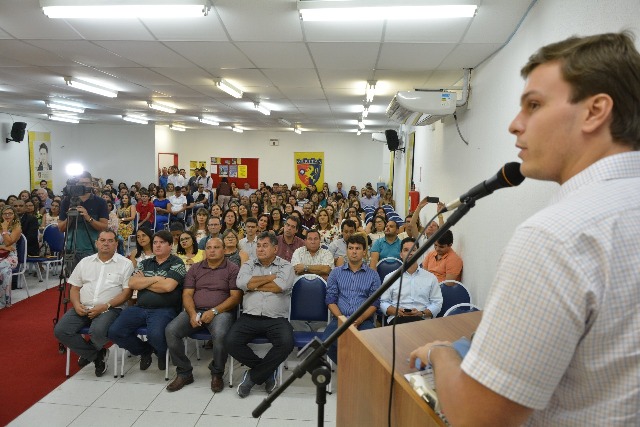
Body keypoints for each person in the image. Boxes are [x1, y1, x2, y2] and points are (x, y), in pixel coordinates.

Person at [409, 32, 640, 426]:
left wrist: (440, 353)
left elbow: (476, 417)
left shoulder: (556, 235)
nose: (515, 125)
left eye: (534, 105)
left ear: (595, 111)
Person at [164, 237, 241, 393]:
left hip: (221, 312)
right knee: (171, 330)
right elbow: (187, 294)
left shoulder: (232, 269)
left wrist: (214, 311)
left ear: (224, 250)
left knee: (220, 334)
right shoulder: (195, 268)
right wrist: (192, 313)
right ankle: (184, 372)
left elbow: (235, 297)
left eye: (216, 247)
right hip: (196, 310)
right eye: (209, 247)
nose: (212, 250)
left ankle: (217, 373)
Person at [54, 230, 134, 376]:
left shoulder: (125, 264)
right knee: (61, 330)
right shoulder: (85, 262)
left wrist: (106, 306)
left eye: (110, 241)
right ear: (96, 243)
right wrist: (76, 304)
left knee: (97, 331)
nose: (106, 243)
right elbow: (74, 288)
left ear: (116, 244)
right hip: (83, 306)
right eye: (102, 240)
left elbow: (126, 293)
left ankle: (89, 354)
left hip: (111, 308)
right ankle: (97, 355)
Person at [225, 232, 295, 398]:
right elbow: (241, 283)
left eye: (265, 245)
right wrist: (270, 277)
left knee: (286, 343)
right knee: (231, 342)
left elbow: (280, 286)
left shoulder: (286, 266)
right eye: (258, 245)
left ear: (275, 249)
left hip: (276, 317)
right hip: (250, 316)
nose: (260, 249)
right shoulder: (249, 264)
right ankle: (267, 373)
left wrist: (254, 284)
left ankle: (252, 377)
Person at [108, 230, 187, 372]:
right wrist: (157, 279)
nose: (157, 245)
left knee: (155, 335)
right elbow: (132, 283)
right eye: (155, 242)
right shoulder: (145, 263)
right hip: (140, 307)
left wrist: (144, 281)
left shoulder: (177, 262)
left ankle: (161, 353)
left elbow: (168, 287)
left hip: (165, 309)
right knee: (115, 332)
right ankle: (145, 350)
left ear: (170, 245)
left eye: (162, 242)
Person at [321, 234, 380, 363]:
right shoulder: (335, 273)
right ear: (346, 250)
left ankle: (357, 368)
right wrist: (342, 319)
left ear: (364, 252)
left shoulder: (373, 275)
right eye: (351, 248)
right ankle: (347, 367)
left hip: (363, 320)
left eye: (358, 248)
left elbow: (375, 303)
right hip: (340, 318)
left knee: (372, 345)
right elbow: (330, 300)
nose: (354, 251)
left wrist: (359, 319)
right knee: (326, 342)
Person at [380, 237, 442, 325]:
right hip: (397, 319)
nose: (410, 253)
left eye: (413, 250)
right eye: (406, 250)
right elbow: (383, 302)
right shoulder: (390, 278)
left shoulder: (431, 278)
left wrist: (422, 313)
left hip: (422, 319)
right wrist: (396, 311)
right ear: (401, 254)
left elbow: (437, 303)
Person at [59, 172, 109, 262]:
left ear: (91, 184)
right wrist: (70, 217)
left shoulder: (100, 202)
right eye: (81, 183)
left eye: (87, 183)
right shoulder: (67, 201)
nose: (84, 186)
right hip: (71, 248)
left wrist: (88, 218)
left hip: (92, 248)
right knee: (71, 271)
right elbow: (61, 228)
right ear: (76, 184)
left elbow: (104, 227)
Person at [0, 206, 21, 307]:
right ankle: (4, 300)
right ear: (1, 215)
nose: (7, 215)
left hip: (11, 257)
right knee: (6, 271)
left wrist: (4, 228)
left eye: (10, 213)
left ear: (14, 215)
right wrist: (3, 246)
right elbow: (6, 245)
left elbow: (8, 242)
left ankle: (4, 300)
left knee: (5, 269)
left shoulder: (17, 227)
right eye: (5, 213)